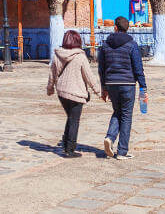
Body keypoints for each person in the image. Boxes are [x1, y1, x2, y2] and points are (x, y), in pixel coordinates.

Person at [98, 16, 146, 160]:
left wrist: (104, 88)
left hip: (111, 84)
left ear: (115, 28)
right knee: (126, 116)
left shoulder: (105, 45)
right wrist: (143, 87)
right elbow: (138, 68)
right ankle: (122, 151)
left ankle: (110, 137)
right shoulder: (131, 45)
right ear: (127, 28)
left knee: (117, 112)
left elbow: (101, 68)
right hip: (128, 84)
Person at [46, 30, 100, 158]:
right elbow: (89, 76)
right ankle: (70, 149)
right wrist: (99, 91)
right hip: (76, 93)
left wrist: (50, 88)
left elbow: (52, 74)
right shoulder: (80, 56)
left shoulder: (57, 55)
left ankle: (65, 144)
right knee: (74, 120)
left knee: (70, 117)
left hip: (62, 92)